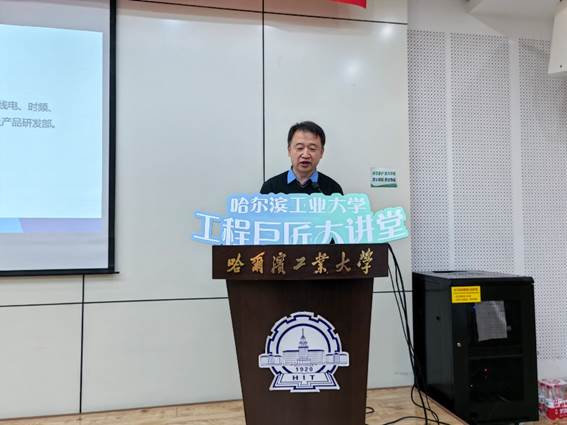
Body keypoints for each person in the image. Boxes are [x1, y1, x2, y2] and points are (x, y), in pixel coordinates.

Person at [260, 121, 343, 195]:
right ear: (289, 150)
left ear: (321, 152)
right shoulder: (271, 188)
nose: (305, 155)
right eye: (300, 148)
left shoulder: (333, 190)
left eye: (312, 148)